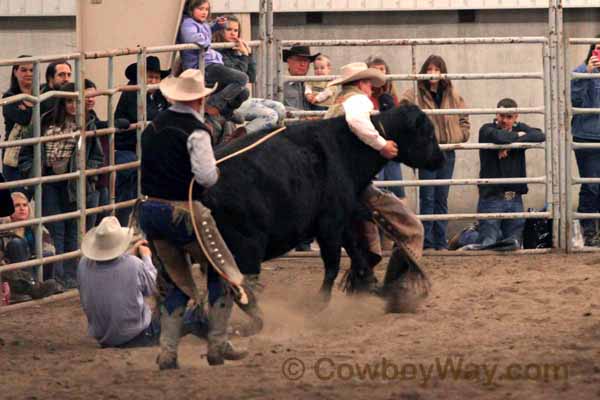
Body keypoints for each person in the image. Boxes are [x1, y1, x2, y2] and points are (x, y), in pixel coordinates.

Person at [139, 69, 255, 368]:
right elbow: (206, 176)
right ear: (201, 98)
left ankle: (168, 352)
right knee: (222, 269)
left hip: (151, 210)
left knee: (176, 280)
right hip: (185, 212)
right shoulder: (196, 131)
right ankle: (217, 344)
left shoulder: (152, 127)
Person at [324, 62, 425, 286]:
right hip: (351, 181)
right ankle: (398, 286)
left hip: (334, 182)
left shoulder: (337, 103)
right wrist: (382, 145)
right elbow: (356, 120)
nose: (372, 89)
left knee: (366, 238)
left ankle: (363, 283)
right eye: (370, 84)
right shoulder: (358, 100)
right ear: (362, 83)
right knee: (411, 227)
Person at [18, 81, 104, 288]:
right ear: (62, 102)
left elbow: (97, 156)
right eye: (69, 101)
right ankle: (57, 277)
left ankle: (72, 275)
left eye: (77, 101)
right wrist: (33, 171)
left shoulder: (89, 123)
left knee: (74, 229)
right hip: (49, 181)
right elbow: (26, 151)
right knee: (55, 228)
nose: (74, 106)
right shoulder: (45, 121)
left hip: (74, 182)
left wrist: (87, 174)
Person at [77, 216, 207, 348]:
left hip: (104, 337)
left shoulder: (83, 265)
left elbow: (113, 268)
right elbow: (151, 287)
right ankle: (215, 334)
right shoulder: (133, 265)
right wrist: (146, 257)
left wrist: (130, 254)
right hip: (136, 335)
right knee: (191, 316)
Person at [449, 99, 545, 251]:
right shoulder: (487, 130)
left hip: (515, 198)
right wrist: (516, 139)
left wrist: (510, 146)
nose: (505, 120)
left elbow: (540, 135)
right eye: (502, 116)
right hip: (492, 197)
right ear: (496, 114)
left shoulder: (520, 128)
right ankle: (465, 237)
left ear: (516, 117)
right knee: (488, 243)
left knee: (512, 244)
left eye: (509, 117)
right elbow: (499, 137)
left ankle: (471, 234)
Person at [400, 55, 470, 250]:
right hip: (427, 153)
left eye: (436, 70)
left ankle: (440, 242)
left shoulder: (452, 93)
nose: (433, 74)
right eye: (429, 70)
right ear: (424, 71)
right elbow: (403, 115)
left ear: (442, 72)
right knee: (427, 197)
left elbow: (464, 118)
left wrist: (461, 135)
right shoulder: (415, 93)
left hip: (448, 152)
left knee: (442, 197)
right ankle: (427, 242)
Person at [114, 56, 170, 227]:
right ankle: (123, 224)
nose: (153, 81)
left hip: (148, 148)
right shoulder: (132, 93)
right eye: (149, 77)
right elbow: (150, 117)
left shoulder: (159, 95)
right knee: (130, 178)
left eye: (156, 77)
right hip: (127, 147)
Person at [212, 15, 285, 140]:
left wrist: (248, 54)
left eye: (236, 30)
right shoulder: (216, 52)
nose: (233, 33)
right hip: (227, 102)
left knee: (280, 108)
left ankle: (269, 142)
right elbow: (238, 77)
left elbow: (251, 77)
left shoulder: (234, 50)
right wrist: (244, 56)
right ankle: (236, 140)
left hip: (240, 99)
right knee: (270, 116)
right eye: (228, 30)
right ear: (220, 30)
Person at [178, 0, 249, 120]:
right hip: (202, 66)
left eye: (206, 9)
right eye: (200, 9)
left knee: (244, 92)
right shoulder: (188, 23)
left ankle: (223, 113)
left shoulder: (202, 24)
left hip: (211, 63)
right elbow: (191, 36)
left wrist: (216, 25)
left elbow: (206, 29)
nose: (204, 12)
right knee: (242, 78)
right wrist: (206, 43)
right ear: (191, 9)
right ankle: (213, 106)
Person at [0, 192, 62, 303]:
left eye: (24, 205)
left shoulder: (35, 226)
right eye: (17, 206)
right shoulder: (3, 229)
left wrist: (36, 256)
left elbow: (49, 246)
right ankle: (21, 292)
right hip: (12, 272)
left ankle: (43, 284)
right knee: (16, 244)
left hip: (32, 264)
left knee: (48, 254)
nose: (22, 208)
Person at [571, 36, 600, 246]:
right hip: (587, 137)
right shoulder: (581, 72)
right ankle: (588, 232)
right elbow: (574, 100)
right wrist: (586, 72)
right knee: (591, 185)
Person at [366, 56, 405, 202]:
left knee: (397, 192)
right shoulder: (366, 97)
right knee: (376, 192)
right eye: (375, 70)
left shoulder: (391, 96)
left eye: (381, 69)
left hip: (392, 149)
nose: (379, 74)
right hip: (374, 150)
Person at [2, 56, 34, 191]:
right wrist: (36, 108)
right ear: (15, 72)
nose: (28, 74)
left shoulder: (42, 92)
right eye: (23, 70)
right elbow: (23, 118)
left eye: (32, 70)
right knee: (16, 196)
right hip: (15, 154)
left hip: (35, 152)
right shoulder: (9, 96)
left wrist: (28, 108)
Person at [282, 46, 324, 112]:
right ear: (289, 61)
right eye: (299, 60)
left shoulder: (315, 83)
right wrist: (302, 115)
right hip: (290, 121)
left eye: (306, 60)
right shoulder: (279, 84)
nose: (302, 64)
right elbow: (275, 108)